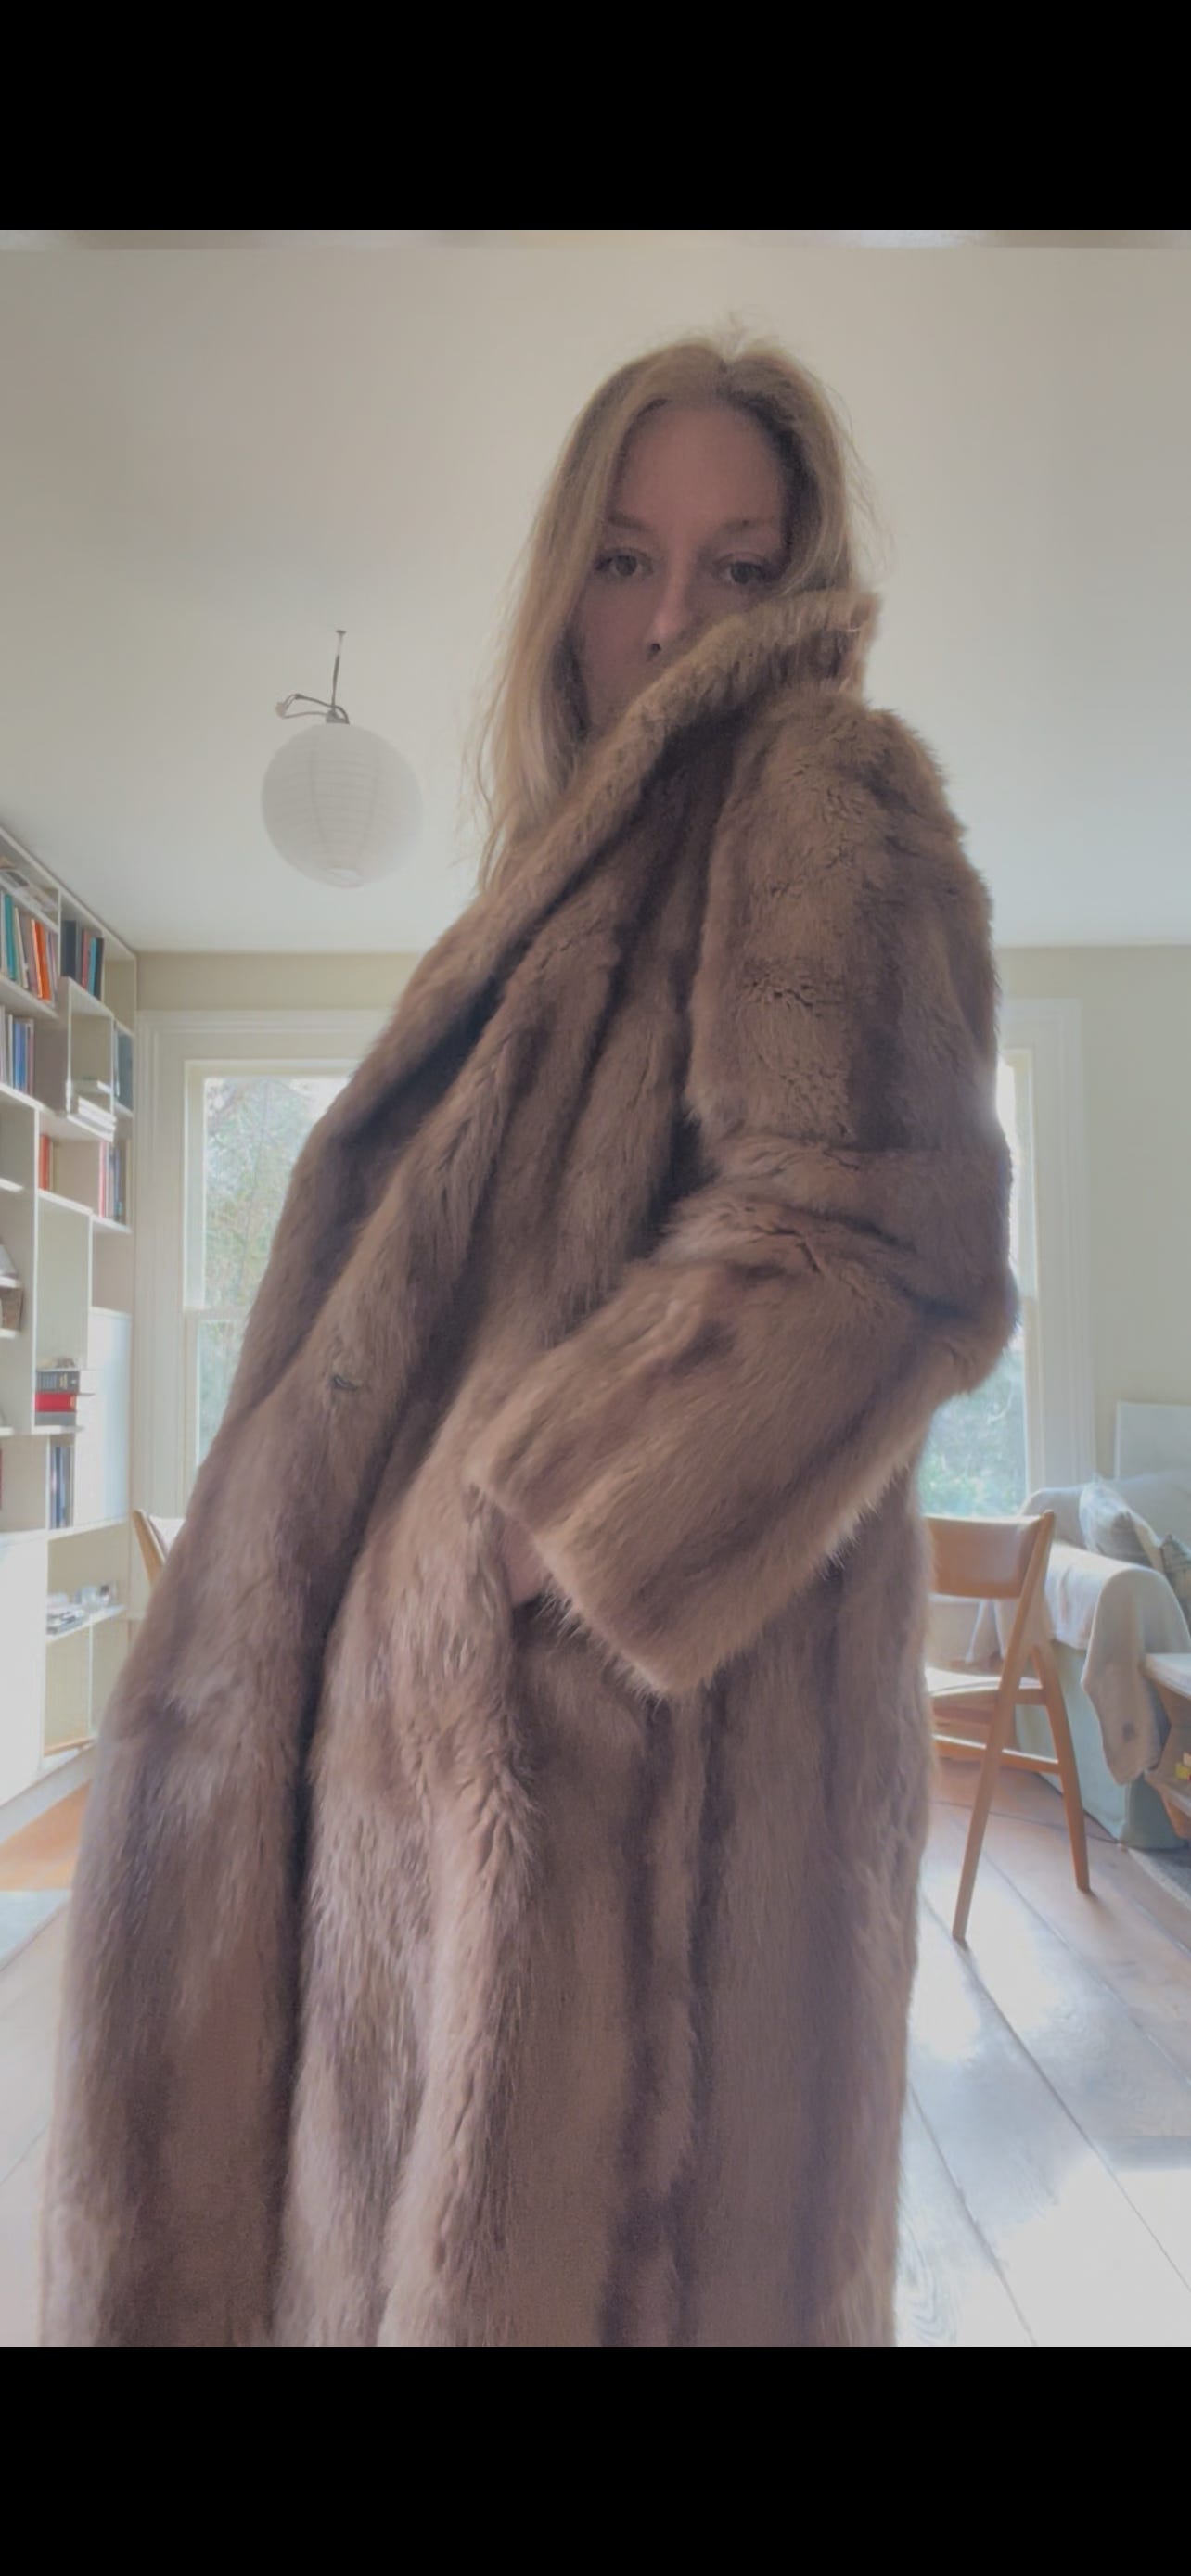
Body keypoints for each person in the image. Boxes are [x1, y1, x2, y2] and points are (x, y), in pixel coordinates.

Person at [43, 334, 1013, 2347]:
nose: (672, 620)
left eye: (739, 566)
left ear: (807, 578)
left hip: (607, 1813)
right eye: (627, 559)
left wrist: (509, 1539)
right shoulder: (565, 883)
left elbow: (870, 1243)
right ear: (564, 587)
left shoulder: (815, 788)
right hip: (471, 1784)